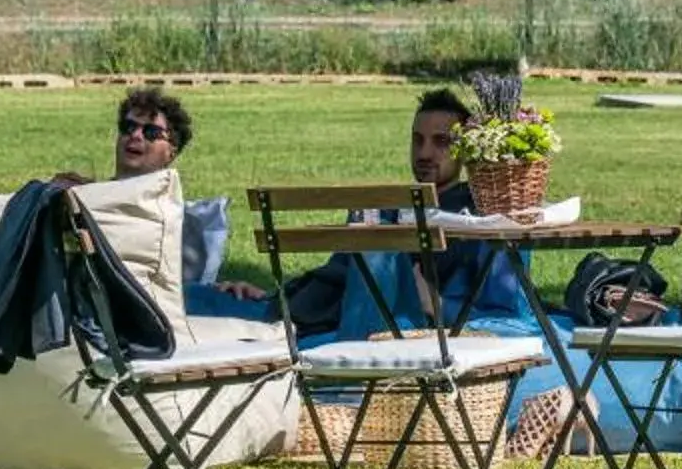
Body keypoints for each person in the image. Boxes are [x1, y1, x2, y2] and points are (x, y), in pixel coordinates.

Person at [287, 87, 543, 341]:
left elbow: (507, 315)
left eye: (441, 142)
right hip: (368, 323)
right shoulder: (386, 208)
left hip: (419, 333)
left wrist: (434, 302)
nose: (424, 154)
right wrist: (275, 298)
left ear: (465, 150)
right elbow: (334, 277)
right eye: (417, 140)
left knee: (376, 248)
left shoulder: (480, 215)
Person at [60, 85, 270, 317]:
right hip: (106, 311)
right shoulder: (82, 198)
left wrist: (222, 289)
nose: (136, 136)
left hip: (168, 309)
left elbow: (181, 284)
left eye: (150, 133)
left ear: (172, 151)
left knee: (267, 307)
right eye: (128, 127)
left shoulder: (179, 220)